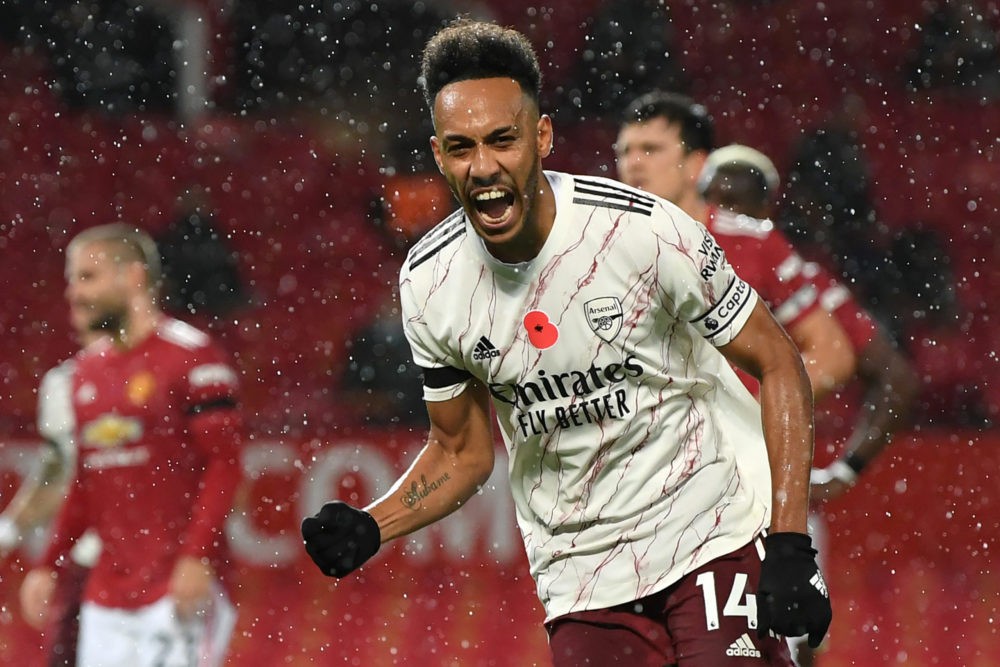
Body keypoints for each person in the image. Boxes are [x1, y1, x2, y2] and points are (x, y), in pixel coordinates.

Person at [302, 19, 830, 666]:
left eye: (503, 140)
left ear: (542, 137)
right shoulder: (430, 283)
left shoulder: (642, 232)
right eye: (462, 148)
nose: (485, 166)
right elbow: (462, 450)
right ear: (440, 156)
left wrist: (789, 543)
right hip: (580, 579)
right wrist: (372, 525)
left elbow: (779, 364)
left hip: (710, 536)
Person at [699, 144, 919, 666]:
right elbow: (897, 377)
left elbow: (896, 377)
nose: (729, 221)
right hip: (756, 493)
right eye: (720, 205)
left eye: (740, 207)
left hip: (763, 494)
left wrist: (845, 467)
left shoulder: (794, 281)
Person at [19, 223, 244, 667]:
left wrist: (195, 558)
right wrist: (50, 563)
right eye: (72, 279)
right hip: (107, 597)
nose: (74, 294)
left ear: (134, 277)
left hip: (175, 588)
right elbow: (86, 485)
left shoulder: (193, 358)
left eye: (87, 277)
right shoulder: (83, 375)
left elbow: (224, 465)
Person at [615, 91, 858, 403]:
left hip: (729, 449)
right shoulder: (598, 245)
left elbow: (830, 354)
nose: (633, 163)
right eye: (625, 151)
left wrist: (749, 415)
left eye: (650, 150)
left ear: (696, 165)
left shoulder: (755, 244)